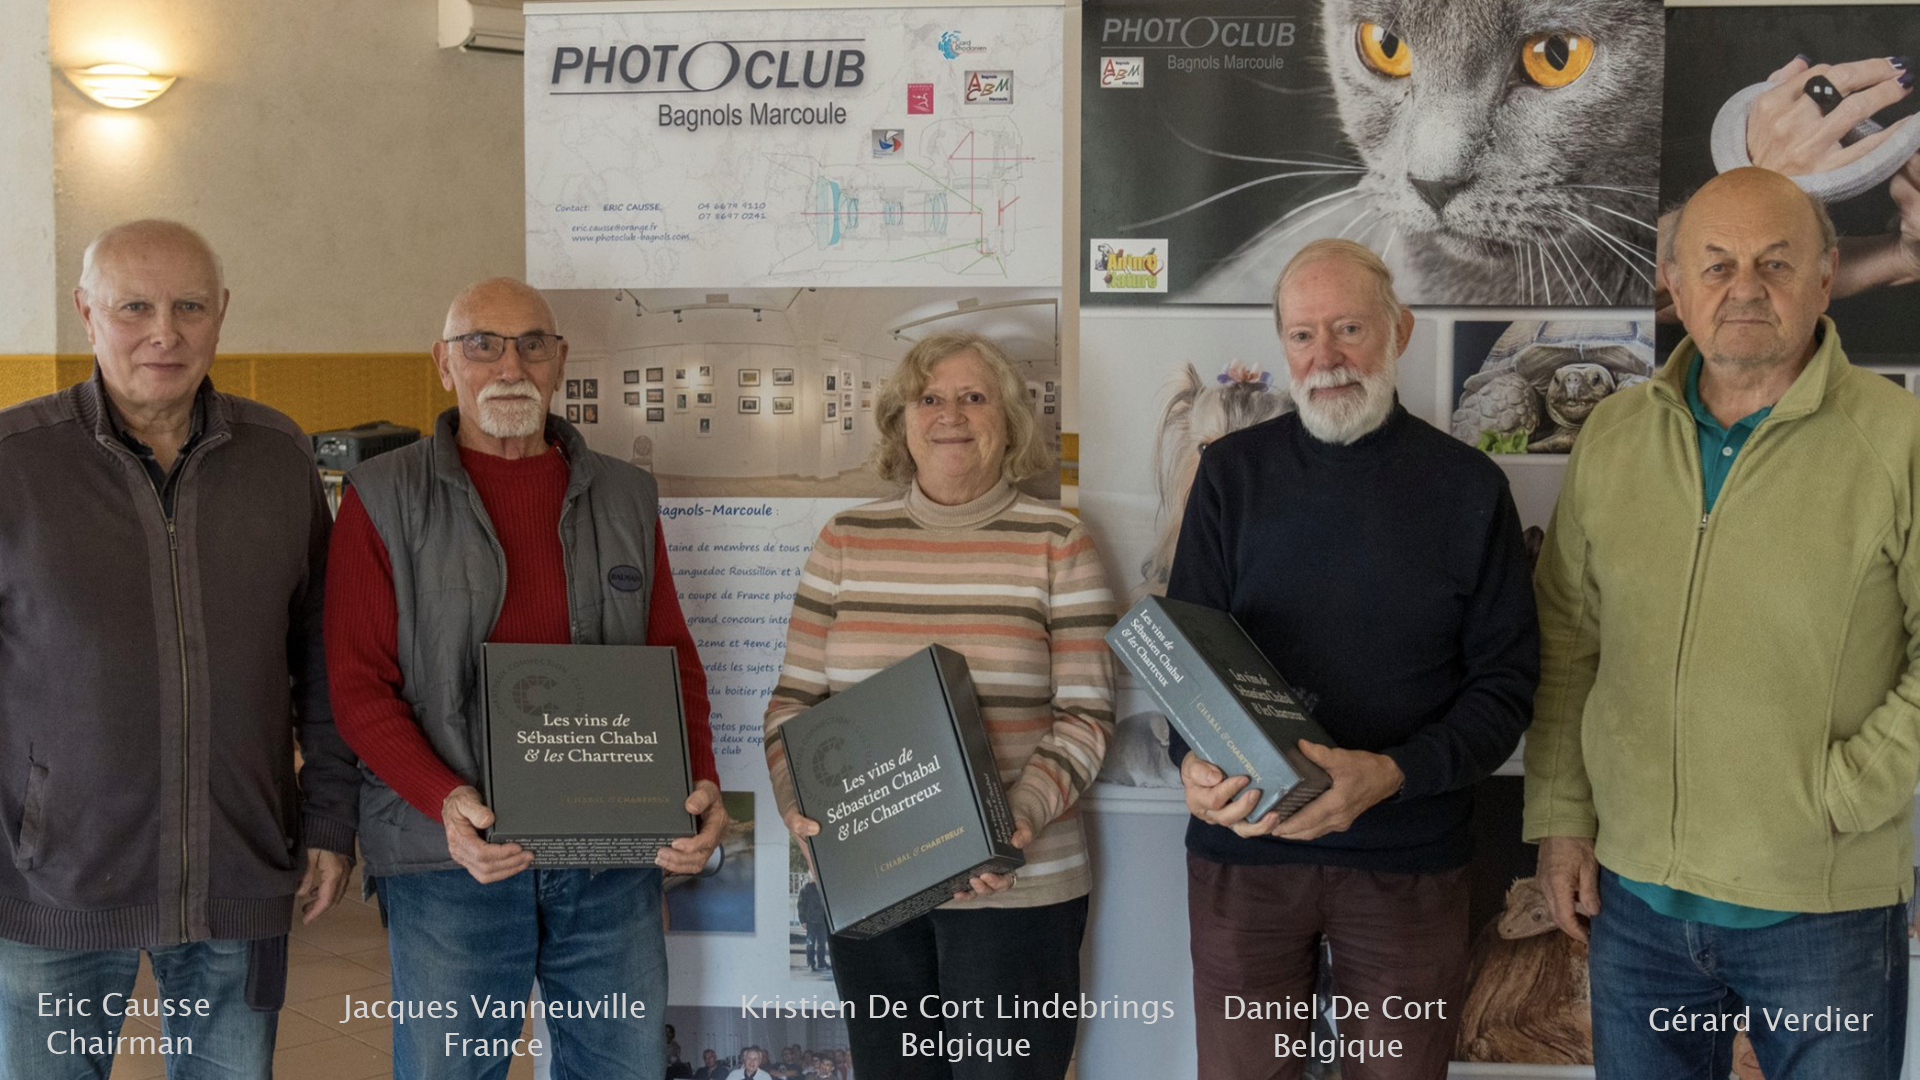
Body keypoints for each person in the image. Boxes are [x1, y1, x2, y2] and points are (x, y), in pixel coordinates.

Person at [1528, 166, 1918, 1080]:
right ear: (1673, 283)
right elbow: (1571, 644)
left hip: (1819, 911)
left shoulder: (1898, 439)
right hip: (1636, 906)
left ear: (1827, 277)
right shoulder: (1613, 435)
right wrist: (1562, 821)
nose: (1745, 288)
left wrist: (1848, 794)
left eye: (1776, 263)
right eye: (1716, 264)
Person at [325, 277, 727, 1079]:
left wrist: (700, 782)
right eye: (482, 344)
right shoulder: (382, 496)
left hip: (609, 856)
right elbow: (357, 685)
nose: (509, 365)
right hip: (451, 863)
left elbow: (671, 658)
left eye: (531, 344)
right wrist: (445, 800)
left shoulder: (626, 493)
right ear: (444, 362)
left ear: (560, 361)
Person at [1169, 238, 1539, 1079]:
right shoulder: (1229, 477)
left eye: (1348, 329)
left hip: (1408, 862)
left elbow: (1506, 687)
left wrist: (1395, 774)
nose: (1325, 357)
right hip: (1248, 852)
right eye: (1303, 335)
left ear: (1398, 330)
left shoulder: (1469, 488)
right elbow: (1184, 660)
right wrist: (1190, 762)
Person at [0, 219, 360, 1077]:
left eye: (189, 306)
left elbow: (325, 656)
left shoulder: (278, 457)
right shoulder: (14, 464)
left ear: (221, 313)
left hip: (239, 874)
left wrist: (330, 817)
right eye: (135, 307)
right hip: (54, 887)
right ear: (87, 312)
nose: (164, 332)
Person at [763, 331, 1117, 1080]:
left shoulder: (1057, 541)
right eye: (929, 398)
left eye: (973, 397)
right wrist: (800, 808)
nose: (950, 414)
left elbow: (1087, 717)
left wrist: (1011, 825)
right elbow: (793, 703)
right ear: (901, 421)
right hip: (871, 887)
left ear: (1009, 421)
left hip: (1018, 891)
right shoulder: (845, 540)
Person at [796, 871, 829, 971]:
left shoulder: (825, 887)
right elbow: (801, 905)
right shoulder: (806, 888)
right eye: (814, 875)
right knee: (810, 943)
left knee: (822, 943)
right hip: (810, 921)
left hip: (822, 921)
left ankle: (821, 963)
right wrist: (802, 920)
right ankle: (811, 963)